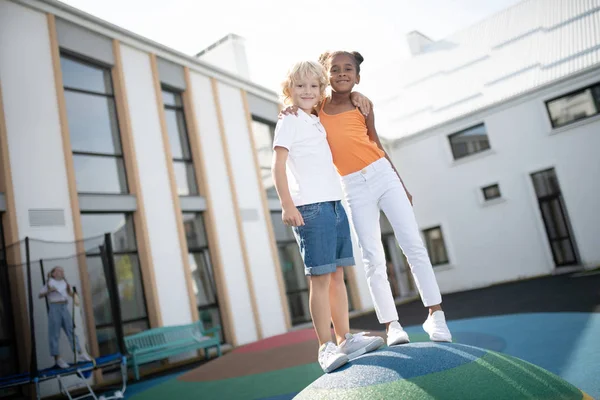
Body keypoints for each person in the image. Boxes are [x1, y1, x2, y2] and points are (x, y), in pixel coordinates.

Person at [283, 51, 452, 345]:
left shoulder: (363, 105)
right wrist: (287, 109)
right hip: (351, 185)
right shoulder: (316, 109)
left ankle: (435, 315)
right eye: (334, 70)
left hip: (383, 174)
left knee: (413, 244)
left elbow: (377, 144)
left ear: (357, 76)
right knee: (372, 256)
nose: (342, 74)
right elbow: (298, 103)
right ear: (326, 77)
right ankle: (392, 326)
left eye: (348, 70)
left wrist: (400, 183)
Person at [272, 60, 383, 373]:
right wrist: (286, 205)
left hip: (335, 205)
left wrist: (358, 94)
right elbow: (277, 165)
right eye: (300, 86)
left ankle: (345, 337)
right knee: (319, 278)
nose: (307, 92)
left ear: (321, 90)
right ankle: (325, 346)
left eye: (313, 86)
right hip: (310, 207)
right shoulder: (290, 120)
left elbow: (341, 98)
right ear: (289, 90)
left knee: (338, 276)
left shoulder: (315, 119)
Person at [39, 266, 91, 368]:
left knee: (71, 330)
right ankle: (57, 358)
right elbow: (40, 295)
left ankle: (80, 353)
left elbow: (69, 293)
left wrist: (74, 295)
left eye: (62, 270)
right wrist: (49, 291)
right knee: (54, 333)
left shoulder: (64, 283)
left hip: (64, 307)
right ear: (54, 273)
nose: (62, 272)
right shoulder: (50, 283)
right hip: (55, 307)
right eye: (59, 270)